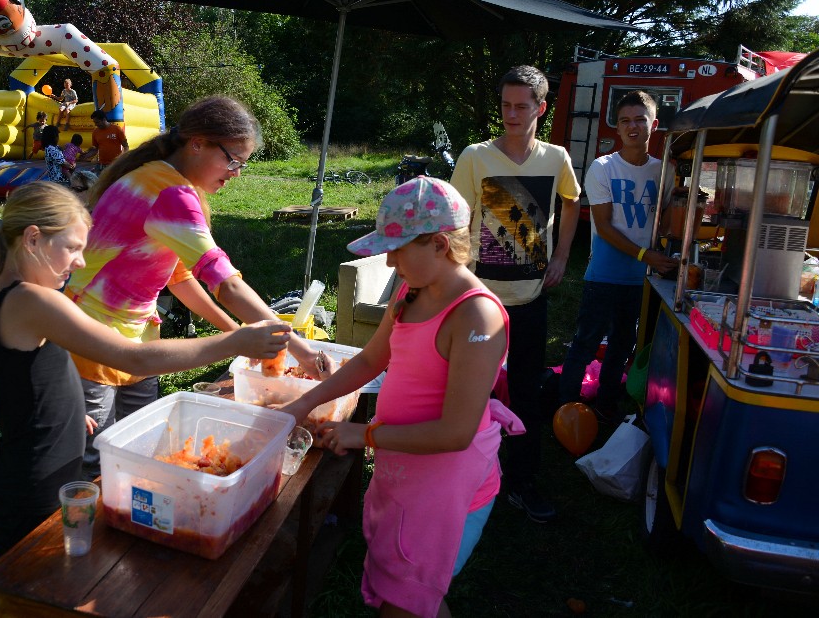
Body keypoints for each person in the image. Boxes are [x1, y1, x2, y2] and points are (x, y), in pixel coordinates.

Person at [0, 181, 290, 561]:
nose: (79, 262)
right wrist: (233, 342)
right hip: (34, 493)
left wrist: (47, 414)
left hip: (20, 480)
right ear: (33, 239)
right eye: (73, 248)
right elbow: (134, 358)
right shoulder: (34, 299)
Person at [285, 177, 520, 618]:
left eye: (398, 248)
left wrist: (364, 435)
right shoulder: (410, 291)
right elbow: (371, 360)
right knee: (401, 588)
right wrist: (304, 402)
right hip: (407, 468)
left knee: (409, 601)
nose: (389, 260)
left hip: (448, 485)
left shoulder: (477, 316)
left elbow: (455, 432)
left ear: (438, 244)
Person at [66, 95, 324, 476]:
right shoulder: (170, 191)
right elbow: (226, 283)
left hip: (138, 341)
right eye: (232, 160)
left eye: (242, 164)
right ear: (197, 143)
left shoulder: (155, 177)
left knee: (135, 455)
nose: (236, 172)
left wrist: (236, 332)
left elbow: (179, 276)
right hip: (92, 341)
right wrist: (300, 349)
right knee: (92, 466)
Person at [450, 65, 580, 524]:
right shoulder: (475, 156)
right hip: (479, 302)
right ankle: (460, 477)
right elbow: (454, 219)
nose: (511, 114)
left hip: (529, 301)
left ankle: (522, 483)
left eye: (521, 106)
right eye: (505, 104)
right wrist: (459, 278)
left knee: (525, 393)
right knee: (467, 391)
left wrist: (562, 255)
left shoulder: (555, 158)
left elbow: (573, 200)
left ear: (541, 108)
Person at [558, 91, 677, 421]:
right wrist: (646, 255)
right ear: (617, 129)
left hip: (642, 278)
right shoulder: (603, 167)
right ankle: (564, 405)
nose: (632, 126)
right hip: (605, 273)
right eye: (625, 121)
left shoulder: (663, 170)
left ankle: (606, 406)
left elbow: (663, 225)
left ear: (653, 124)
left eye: (640, 119)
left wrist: (679, 198)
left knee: (623, 346)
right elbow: (605, 227)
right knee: (586, 342)